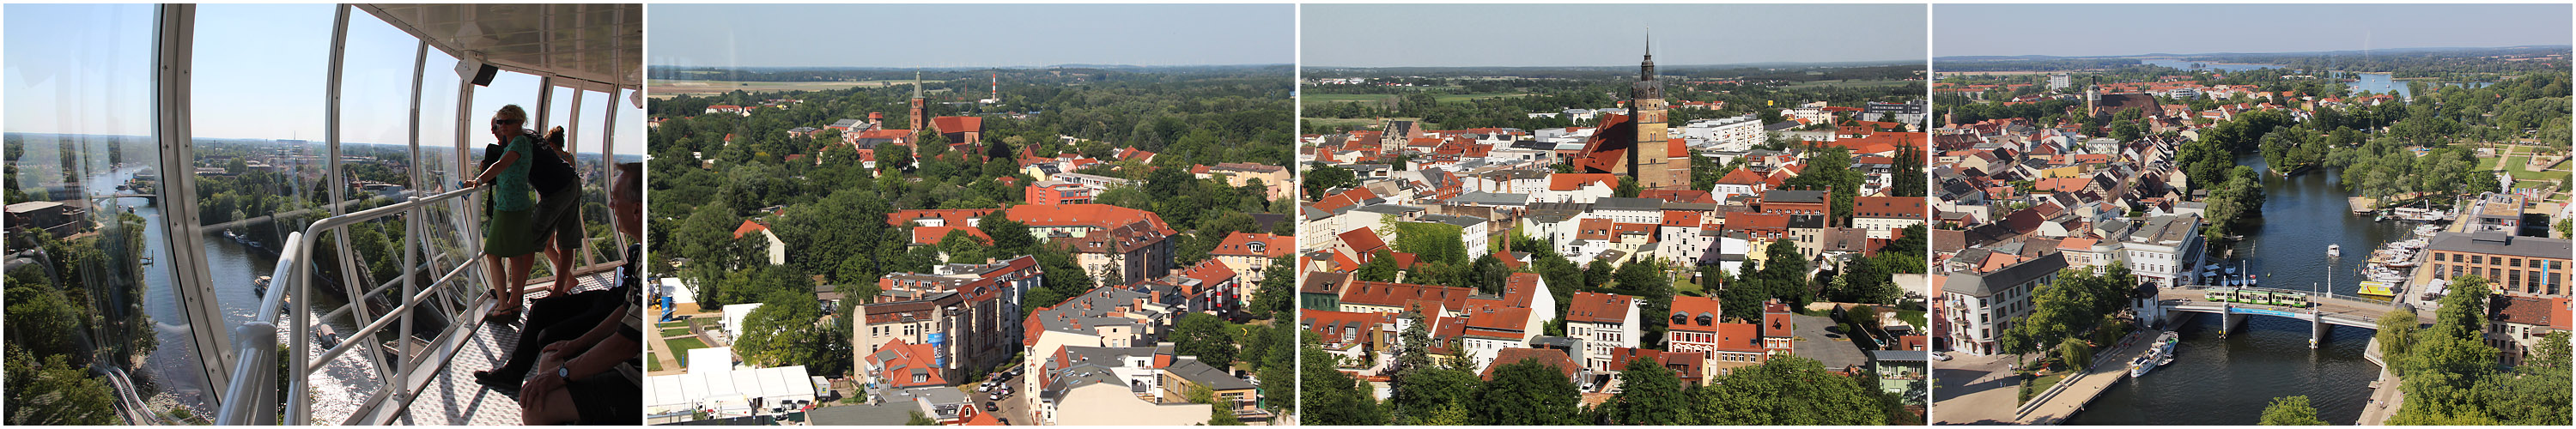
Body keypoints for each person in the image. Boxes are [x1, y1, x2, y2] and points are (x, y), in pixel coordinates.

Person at [516, 162, 643, 425]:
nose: (611, 206)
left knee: (536, 409)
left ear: (638, 209)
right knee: (552, 356)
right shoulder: (641, 255)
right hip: (630, 364)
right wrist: (574, 346)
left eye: (615, 199)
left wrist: (562, 373)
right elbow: (625, 311)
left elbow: (626, 343)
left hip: (637, 381)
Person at [463, 105, 540, 322]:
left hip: (509, 207)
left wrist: (477, 181)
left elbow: (501, 165)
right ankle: (514, 302)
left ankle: (504, 307)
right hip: (519, 205)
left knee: (493, 254)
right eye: (500, 122)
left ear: (519, 123)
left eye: (507, 122)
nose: (502, 126)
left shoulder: (518, 143)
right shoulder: (521, 142)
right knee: (515, 255)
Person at [528, 126, 583, 296]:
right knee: (565, 243)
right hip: (571, 195)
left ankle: (567, 279)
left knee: (545, 244)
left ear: (550, 144)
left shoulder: (553, 157)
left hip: (555, 199)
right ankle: (564, 282)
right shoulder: (569, 157)